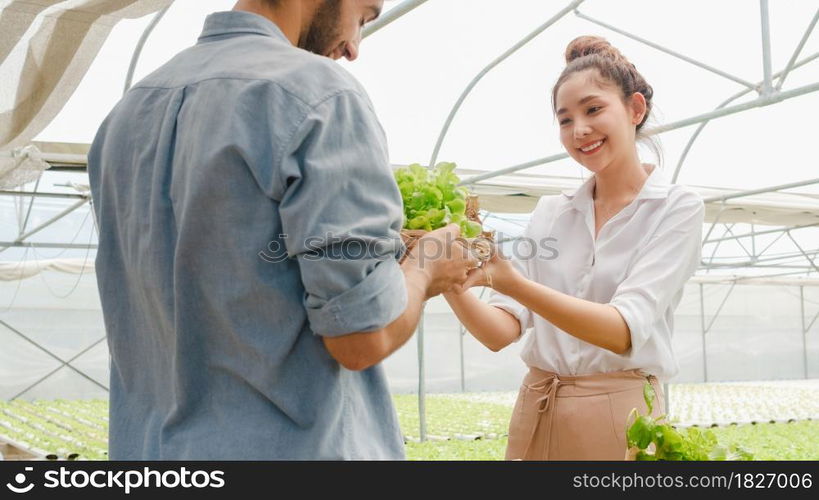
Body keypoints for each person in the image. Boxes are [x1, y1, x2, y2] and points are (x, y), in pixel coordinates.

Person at [87, 0, 477, 460]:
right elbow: (360, 339)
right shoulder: (318, 93)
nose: (354, 47)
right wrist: (426, 270)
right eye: (364, 15)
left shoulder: (126, 113)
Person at [444, 36, 704, 460]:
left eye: (593, 110)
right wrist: (450, 279)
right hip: (539, 402)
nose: (579, 129)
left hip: (623, 415)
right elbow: (499, 332)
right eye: (565, 120)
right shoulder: (551, 212)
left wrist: (510, 281)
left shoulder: (675, 209)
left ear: (635, 109)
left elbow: (622, 330)